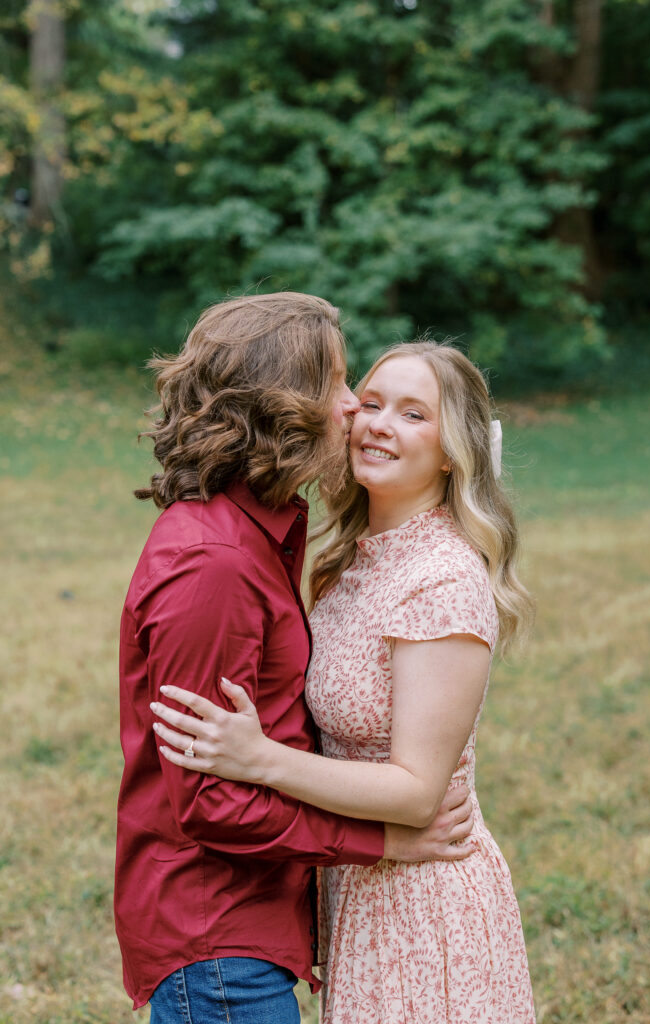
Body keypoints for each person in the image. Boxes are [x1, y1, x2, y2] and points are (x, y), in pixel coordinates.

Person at [151, 340, 537, 1024]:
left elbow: (417, 793)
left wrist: (260, 760)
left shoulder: (440, 578)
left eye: (414, 414)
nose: (379, 422)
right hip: (354, 884)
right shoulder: (343, 566)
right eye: (373, 401)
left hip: (422, 899)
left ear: (452, 451)